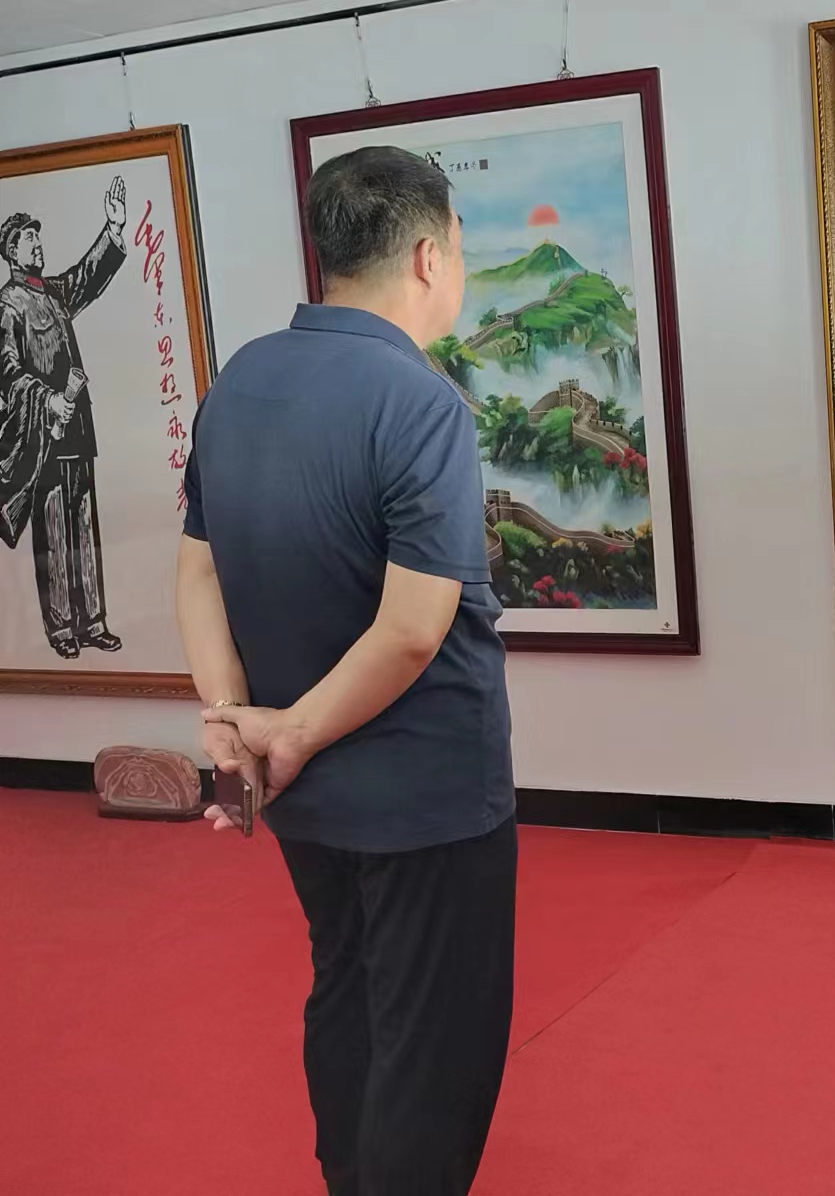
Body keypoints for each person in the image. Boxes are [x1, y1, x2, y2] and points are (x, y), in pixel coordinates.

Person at [174, 146, 516, 1194]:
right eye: (459, 248)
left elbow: (197, 573)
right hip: (425, 792)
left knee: (349, 987)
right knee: (435, 1036)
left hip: (303, 790)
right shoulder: (419, 402)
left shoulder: (238, 383)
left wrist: (233, 719)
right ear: (428, 255)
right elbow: (413, 630)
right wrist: (290, 731)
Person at [0, 181, 128, 658]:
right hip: (42, 435)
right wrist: (48, 400)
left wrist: (112, 228)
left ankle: (92, 622)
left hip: (77, 429)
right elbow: (7, 373)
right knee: (53, 536)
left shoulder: (53, 291)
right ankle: (61, 630)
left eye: (38, 235)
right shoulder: (6, 306)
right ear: (12, 252)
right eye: (28, 238)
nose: (38, 243)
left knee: (84, 529)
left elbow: (86, 276)